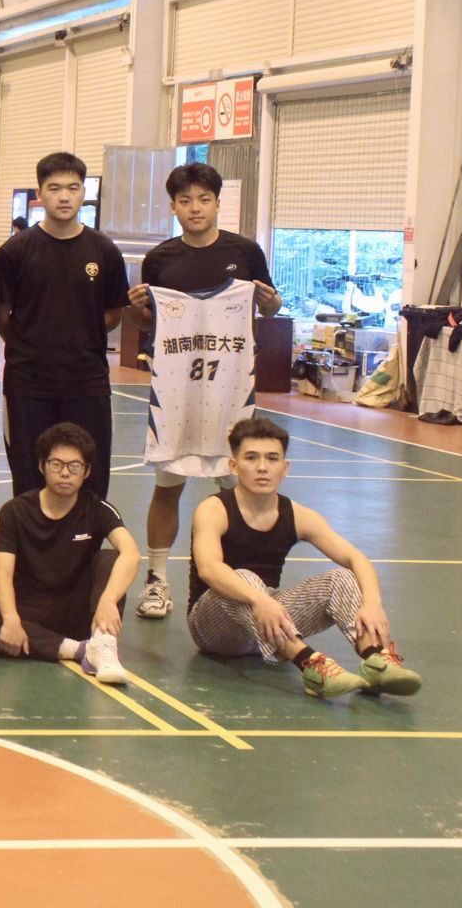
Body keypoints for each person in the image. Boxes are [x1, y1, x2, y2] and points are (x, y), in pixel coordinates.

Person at [128, 162, 281, 621]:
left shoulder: (245, 252)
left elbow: (269, 308)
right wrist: (139, 309)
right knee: (167, 488)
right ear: (173, 207)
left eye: (204, 199)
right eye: (185, 200)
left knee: (241, 492)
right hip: (177, 392)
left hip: (231, 390)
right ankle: (157, 581)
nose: (195, 208)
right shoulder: (160, 260)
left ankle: (246, 582)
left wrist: (272, 304)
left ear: (217, 203)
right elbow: (149, 323)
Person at [188, 416, 422, 699]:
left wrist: (372, 603)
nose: (262, 467)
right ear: (234, 466)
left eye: (272, 458)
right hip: (214, 628)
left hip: (269, 621)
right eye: (251, 458)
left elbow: (356, 558)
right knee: (242, 578)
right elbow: (209, 568)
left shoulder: (298, 515)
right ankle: (310, 665)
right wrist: (259, 600)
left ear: (285, 468)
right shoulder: (214, 509)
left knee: (341, 577)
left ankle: (375, 660)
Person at [0, 152, 128, 497]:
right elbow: (1, 314)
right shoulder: (14, 252)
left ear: (84, 192)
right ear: (40, 193)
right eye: (54, 188)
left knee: (90, 480)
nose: (64, 196)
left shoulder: (104, 251)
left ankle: (87, 535)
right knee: (28, 478)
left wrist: (81, 331)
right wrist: (31, 340)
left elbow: (115, 311)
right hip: (28, 384)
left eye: (73, 187)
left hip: (87, 382)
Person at [0, 423, 136, 683]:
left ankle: (103, 641)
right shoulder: (14, 511)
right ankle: (80, 650)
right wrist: (11, 620)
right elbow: (2, 573)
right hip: (31, 612)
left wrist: (108, 600)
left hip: (79, 609)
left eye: (75, 466)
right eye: (56, 464)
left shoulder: (98, 508)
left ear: (86, 471)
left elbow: (131, 553)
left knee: (110, 559)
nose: (65, 473)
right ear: (42, 466)